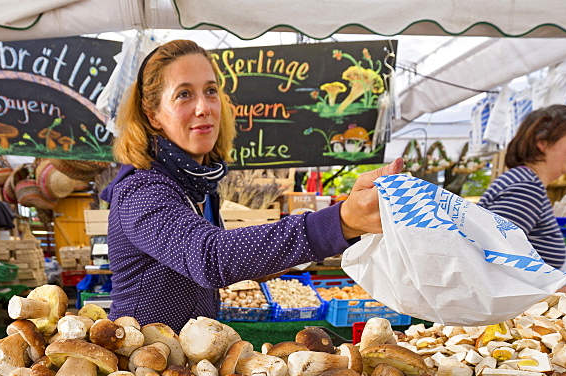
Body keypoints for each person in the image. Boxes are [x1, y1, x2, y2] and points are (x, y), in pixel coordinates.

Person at [100, 39, 401, 331]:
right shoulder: (141, 191)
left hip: (186, 358)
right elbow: (209, 257)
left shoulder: (197, 184)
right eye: (184, 95)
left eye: (210, 91)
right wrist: (341, 220)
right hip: (140, 363)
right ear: (153, 115)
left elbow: (219, 266)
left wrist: (289, 259)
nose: (204, 107)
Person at [478, 104, 566, 270]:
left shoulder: (525, 182)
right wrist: (554, 290)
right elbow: (493, 262)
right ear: (543, 143)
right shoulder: (526, 188)